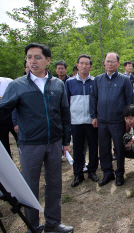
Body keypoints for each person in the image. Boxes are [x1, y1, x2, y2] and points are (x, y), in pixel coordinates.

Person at [0, 43, 73, 233]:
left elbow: (64, 113)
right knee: (30, 186)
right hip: (30, 144)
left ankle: (53, 223)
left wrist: (66, 141)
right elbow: (3, 110)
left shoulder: (58, 84)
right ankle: (33, 226)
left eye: (37, 57)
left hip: (55, 142)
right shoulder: (17, 85)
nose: (32, 61)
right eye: (29, 57)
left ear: (47, 60)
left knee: (54, 183)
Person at [90, 52, 134, 187]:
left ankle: (120, 174)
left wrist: (128, 119)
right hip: (102, 120)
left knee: (119, 148)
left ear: (118, 64)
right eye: (107, 61)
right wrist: (94, 116)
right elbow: (93, 98)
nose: (109, 64)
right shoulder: (98, 79)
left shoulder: (124, 80)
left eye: (112, 61)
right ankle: (107, 173)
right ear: (104, 63)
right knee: (103, 148)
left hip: (118, 121)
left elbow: (129, 100)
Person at [65, 54, 99, 187]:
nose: (84, 66)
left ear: (90, 66)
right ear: (77, 65)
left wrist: (95, 116)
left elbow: (97, 100)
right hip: (76, 122)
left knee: (93, 148)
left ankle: (92, 171)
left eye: (87, 64)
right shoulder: (69, 82)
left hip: (92, 121)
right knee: (78, 149)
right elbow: (66, 103)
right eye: (81, 63)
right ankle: (78, 174)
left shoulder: (95, 81)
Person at [0, 77, 18, 158]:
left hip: (12, 116)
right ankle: (9, 166)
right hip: (1, 118)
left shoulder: (8, 81)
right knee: (4, 144)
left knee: (20, 140)